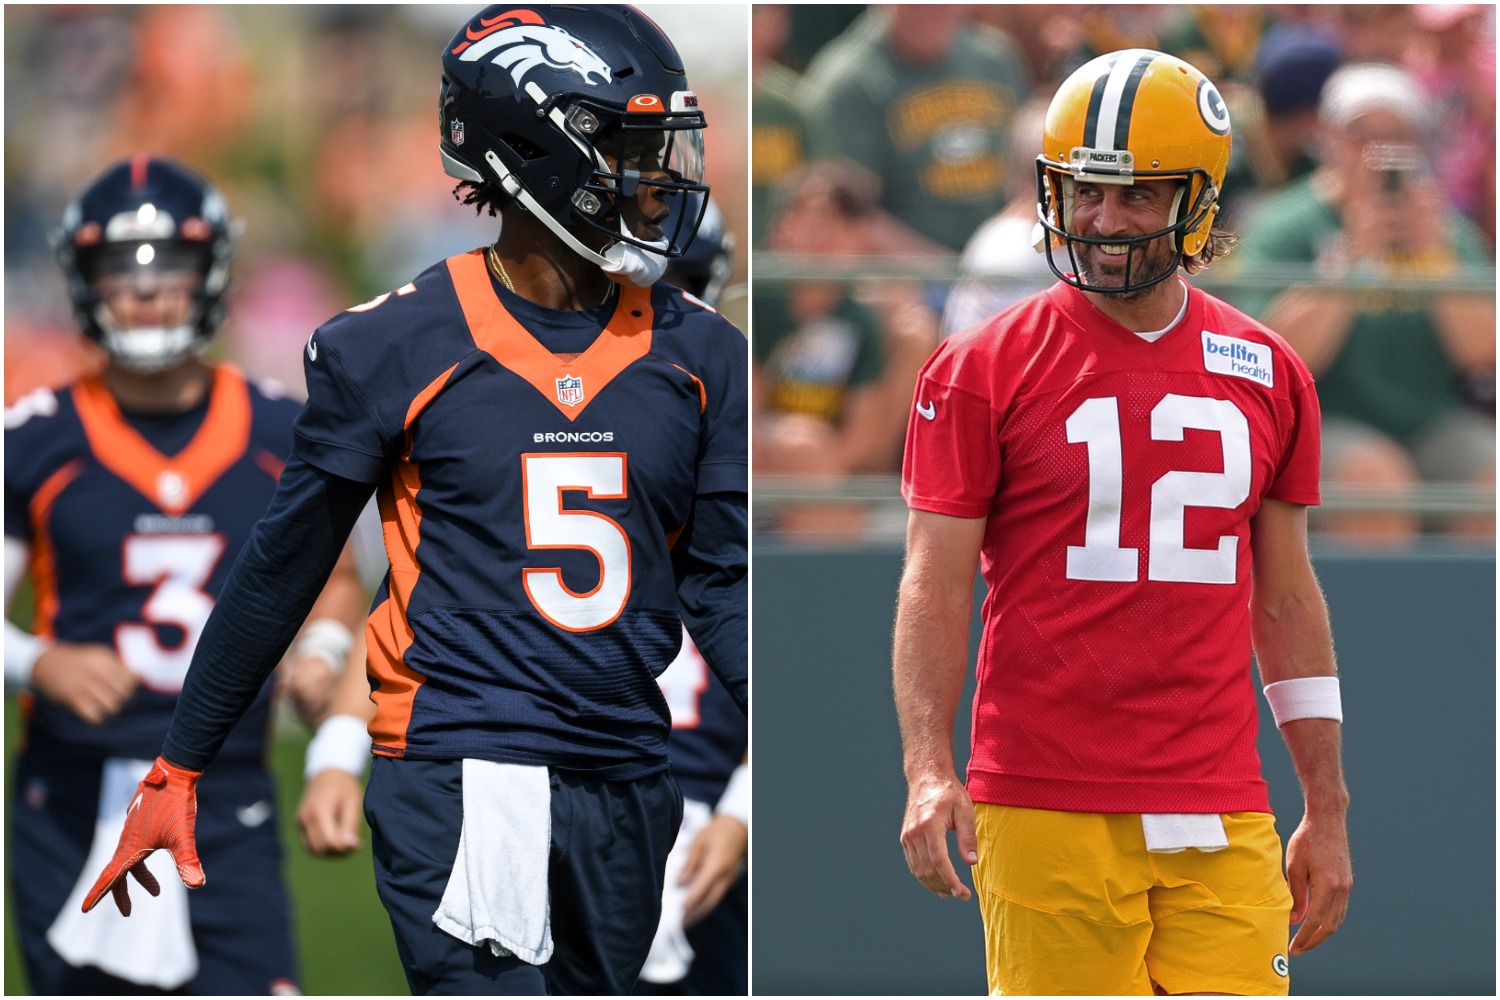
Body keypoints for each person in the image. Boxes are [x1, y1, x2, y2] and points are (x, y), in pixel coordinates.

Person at [82, 5, 748, 996]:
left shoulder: (699, 352)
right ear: (532, 150)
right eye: (626, 144)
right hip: (462, 765)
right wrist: (180, 765)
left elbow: (723, 588)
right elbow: (283, 569)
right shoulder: (393, 345)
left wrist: (791, 753)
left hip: (628, 776)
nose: (656, 178)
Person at [893, 50, 1352, 996]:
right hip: (1045, 794)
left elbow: (1287, 599)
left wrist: (1328, 802)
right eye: (1084, 191)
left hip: (1219, 801)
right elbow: (933, 586)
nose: (1103, 222)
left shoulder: (1267, 370)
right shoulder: (982, 365)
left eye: (1137, 196)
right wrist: (928, 767)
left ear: (1201, 202)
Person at [3, 155, 366, 994]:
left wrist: (323, 646)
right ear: (83, 282)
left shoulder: (280, 429)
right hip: (77, 785)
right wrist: (38, 661)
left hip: (224, 786)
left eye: (170, 270)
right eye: (118, 273)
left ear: (212, 276)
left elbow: (336, 578)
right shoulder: (37, 436)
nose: (144, 293)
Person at [1232, 61, 1496, 541]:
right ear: (1327, 138)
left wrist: (1436, 258)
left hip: (1429, 420)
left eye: (1397, 135)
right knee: (1374, 482)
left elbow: (1483, 354)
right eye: (1360, 134)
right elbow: (1273, 358)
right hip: (1321, 422)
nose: (1377, 150)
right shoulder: (1283, 224)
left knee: (1489, 482)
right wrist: (1352, 259)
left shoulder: (1442, 229)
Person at [799, 5, 1032, 253]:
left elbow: (1029, 179)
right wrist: (948, 275)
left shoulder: (994, 61)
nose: (932, 9)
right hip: (902, 278)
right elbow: (850, 215)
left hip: (1002, 260)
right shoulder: (850, 82)